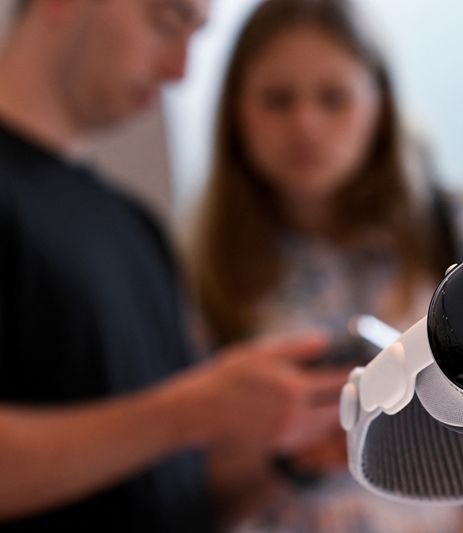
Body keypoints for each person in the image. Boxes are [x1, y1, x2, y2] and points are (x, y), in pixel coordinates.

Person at [0, 1, 348, 531]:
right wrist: (191, 410)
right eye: (165, 22)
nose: (179, 72)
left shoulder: (137, 227)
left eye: (195, 36)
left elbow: (172, 491)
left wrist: (294, 455)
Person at [185, 1, 463, 531]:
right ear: (236, 112)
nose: (305, 124)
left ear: (380, 103)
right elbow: (191, 482)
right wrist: (290, 454)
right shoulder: (204, 268)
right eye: (277, 100)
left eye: (333, 97)